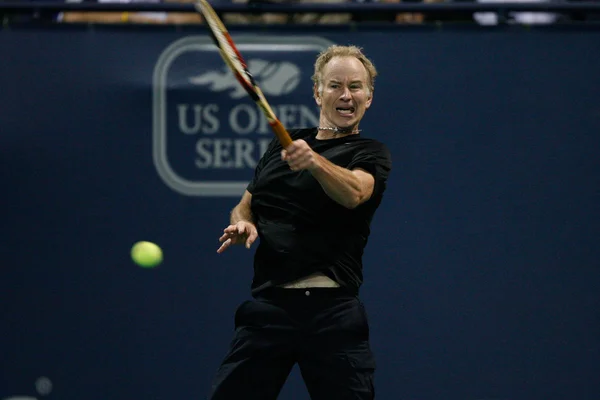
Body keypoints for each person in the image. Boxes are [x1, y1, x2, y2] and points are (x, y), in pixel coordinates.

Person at [210, 45, 392, 400]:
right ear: (317, 92)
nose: (345, 95)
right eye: (335, 85)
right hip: (269, 308)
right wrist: (244, 223)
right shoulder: (281, 148)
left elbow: (355, 193)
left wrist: (314, 162)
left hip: (333, 313)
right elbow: (246, 205)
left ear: (368, 98)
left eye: (356, 87)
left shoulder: (370, 152)